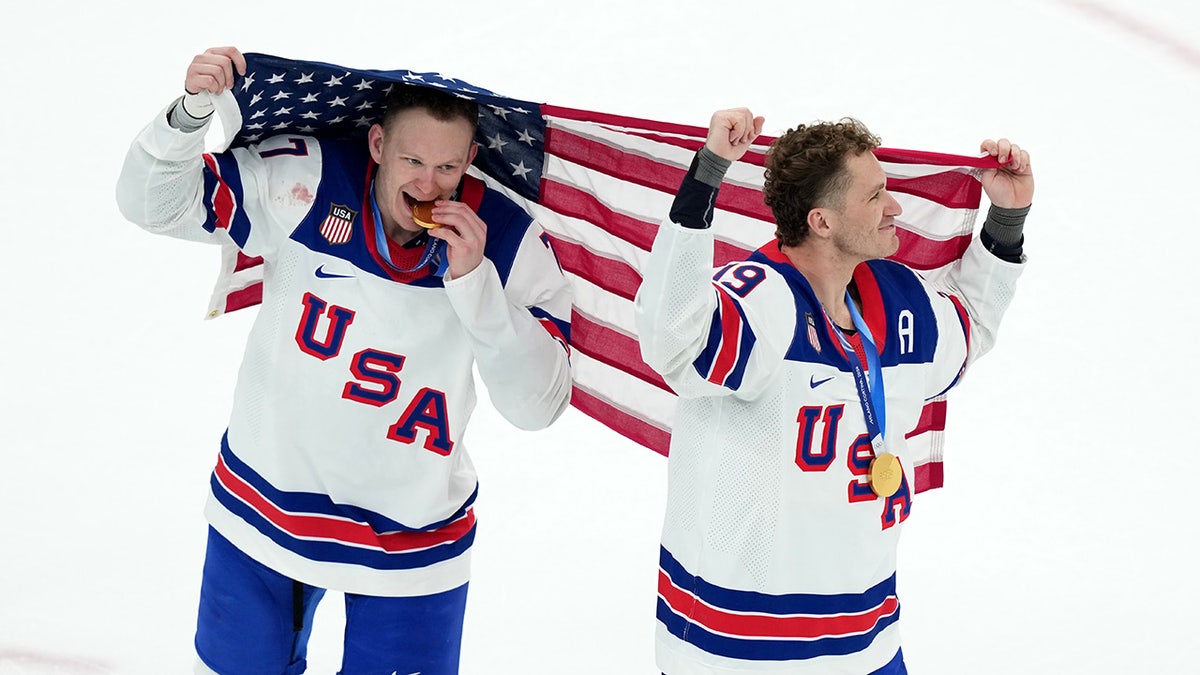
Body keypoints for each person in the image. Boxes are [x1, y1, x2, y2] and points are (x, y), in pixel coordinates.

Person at [115, 46, 573, 675]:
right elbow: (153, 204)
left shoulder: (508, 241)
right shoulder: (305, 179)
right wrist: (189, 114)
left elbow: (536, 408)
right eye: (412, 159)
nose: (427, 184)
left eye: (446, 166)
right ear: (379, 144)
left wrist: (476, 287)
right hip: (265, 503)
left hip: (413, 534)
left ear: (471, 159)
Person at [634, 108, 1032, 674]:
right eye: (875, 196)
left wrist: (1009, 217)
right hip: (742, 649)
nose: (895, 207)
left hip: (867, 640)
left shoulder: (898, 300)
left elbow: (968, 329)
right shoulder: (760, 298)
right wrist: (708, 172)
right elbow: (675, 342)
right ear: (821, 221)